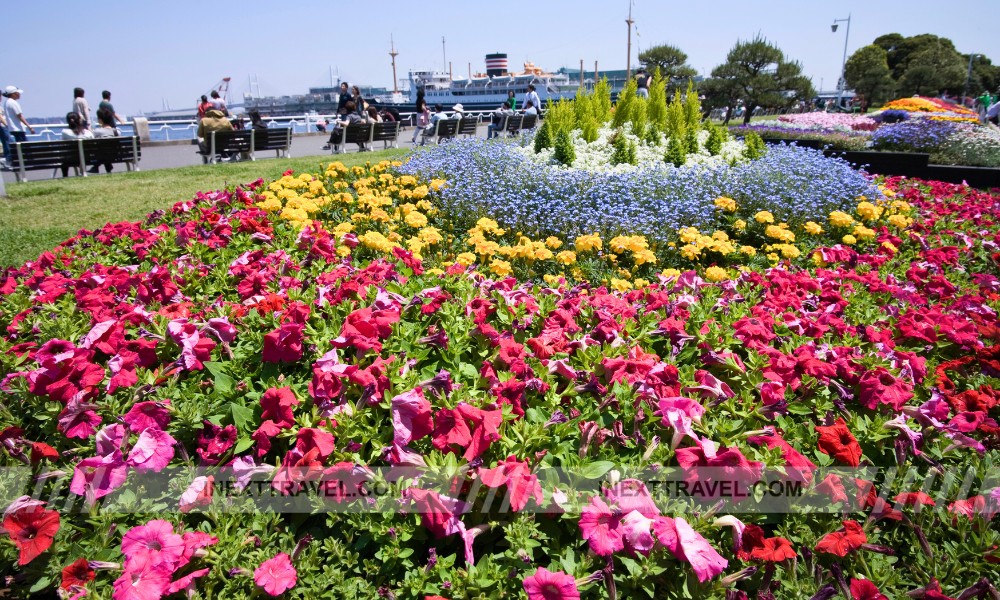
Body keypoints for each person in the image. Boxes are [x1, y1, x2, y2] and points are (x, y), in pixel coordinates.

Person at [60, 112, 93, 177]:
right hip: (86, 158)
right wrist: (82, 121)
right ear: (79, 120)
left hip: (71, 159)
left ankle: (65, 176)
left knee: (65, 160)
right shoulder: (88, 133)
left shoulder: (65, 132)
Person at [88, 107, 119, 174]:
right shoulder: (116, 131)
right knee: (106, 151)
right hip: (115, 155)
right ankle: (106, 168)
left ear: (100, 120)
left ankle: (96, 167)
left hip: (101, 156)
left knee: (102, 151)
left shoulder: (97, 132)